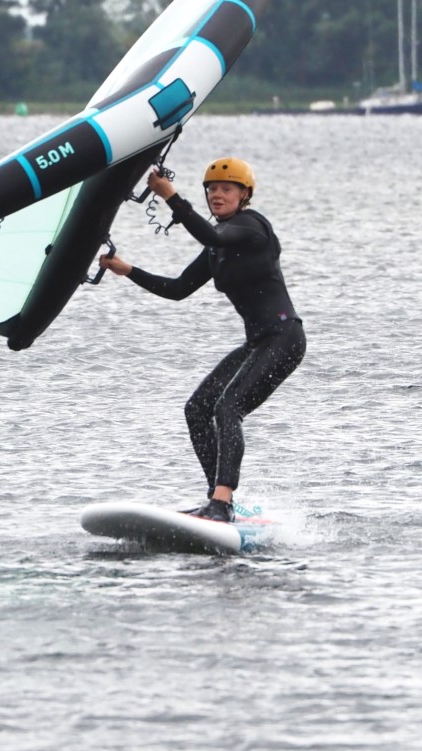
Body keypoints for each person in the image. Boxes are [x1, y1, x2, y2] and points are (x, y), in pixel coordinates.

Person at [98, 158, 306, 522]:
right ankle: (217, 500)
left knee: (228, 408)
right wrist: (127, 270)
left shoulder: (252, 227)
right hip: (258, 342)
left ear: (244, 195)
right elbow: (178, 289)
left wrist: (171, 197)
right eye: (211, 189)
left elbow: (213, 233)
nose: (217, 195)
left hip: (284, 338)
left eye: (226, 189)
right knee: (197, 408)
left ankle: (222, 503)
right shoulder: (216, 250)